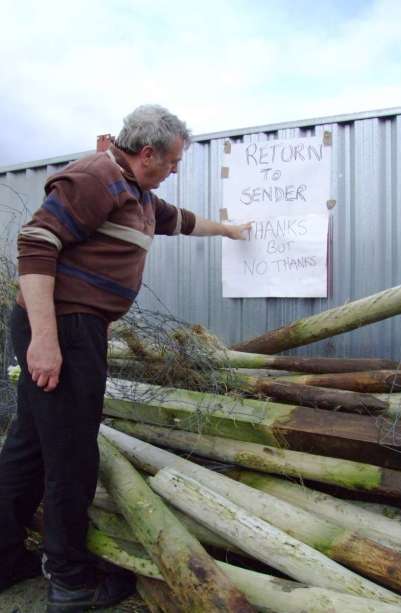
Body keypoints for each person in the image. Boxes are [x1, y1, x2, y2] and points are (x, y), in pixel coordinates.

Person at [0, 104, 251, 612]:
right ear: (147, 153)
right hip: (64, 327)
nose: (177, 169)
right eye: (175, 161)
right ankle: (70, 581)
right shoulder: (96, 176)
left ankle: (5, 560)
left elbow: (179, 221)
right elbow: (36, 242)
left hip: (71, 326)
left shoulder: (138, 193)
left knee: (28, 444)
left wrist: (229, 231)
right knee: (72, 453)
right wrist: (45, 340)